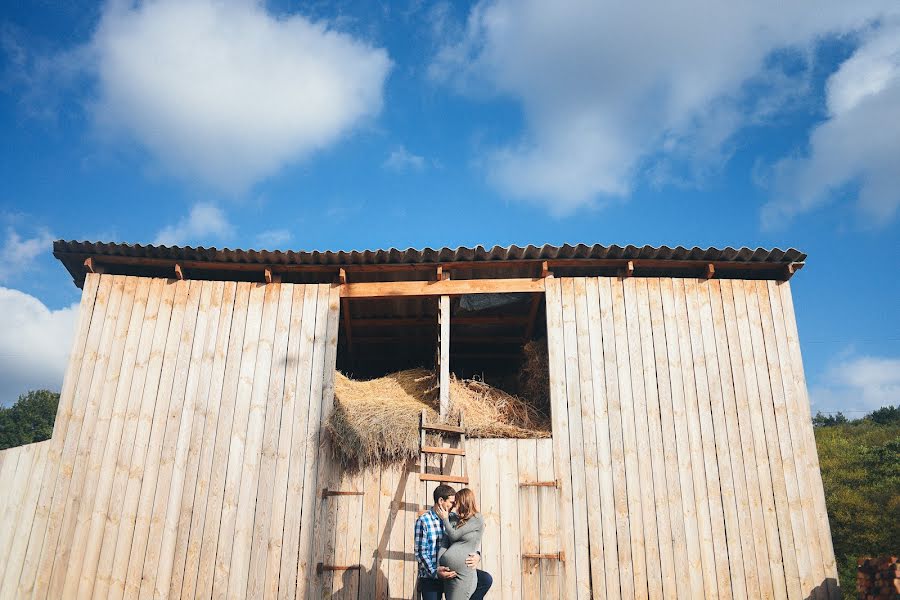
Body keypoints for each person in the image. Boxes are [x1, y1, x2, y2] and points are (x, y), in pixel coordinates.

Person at [414, 484, 493, 600]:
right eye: (452, 502)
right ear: (441, 501)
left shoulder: (454, 518)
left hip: (454, 573)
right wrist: (435, 572)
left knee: (485, 579)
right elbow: (421, 553)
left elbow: (469, 539)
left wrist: (477, 555)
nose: (455, 506)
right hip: (431, 576)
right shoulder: (424, 521)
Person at [435, 488, 484, 600]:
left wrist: (445, 519)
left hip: (463, 573)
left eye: (457, 502)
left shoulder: (477, 519)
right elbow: (445, 543)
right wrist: (439, 566)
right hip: (448, 573)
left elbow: (454, 535)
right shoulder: (457, 520)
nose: (455, 505)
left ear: (464, 502)